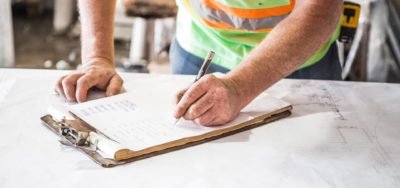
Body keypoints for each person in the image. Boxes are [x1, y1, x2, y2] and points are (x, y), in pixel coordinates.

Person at [56, 0, 342, 126]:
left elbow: (320, 9)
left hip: (296, 64)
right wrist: (97, 59)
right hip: (198, 50)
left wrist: (241, 86)